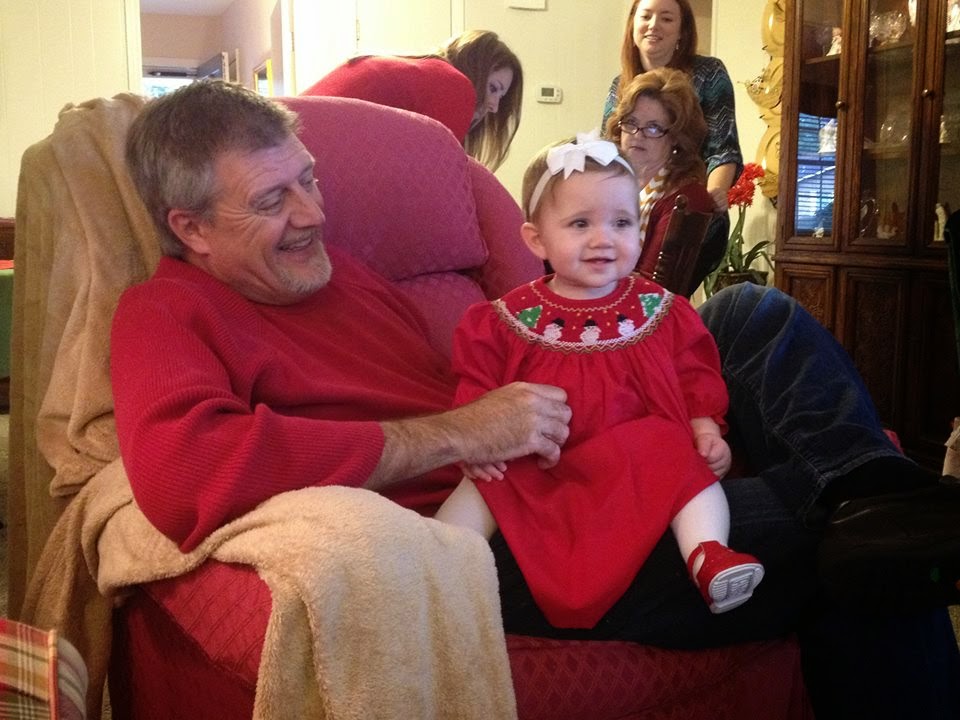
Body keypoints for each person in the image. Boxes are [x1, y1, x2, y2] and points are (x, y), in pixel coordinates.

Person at [113, 79, 960, 718]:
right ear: (191, 228)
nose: (311, 215)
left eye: (309, 180)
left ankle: (877, 489)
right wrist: (457, 434)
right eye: (272, 200)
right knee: (841, 541)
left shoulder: (344, 276)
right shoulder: (166, 313)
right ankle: (893, 520)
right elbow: (187, 474)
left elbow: (525, 334)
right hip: (502, 528)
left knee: (749, 316)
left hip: (573, 456)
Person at [432, 133, 764, 627]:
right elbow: (477, 386)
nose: (603, 238)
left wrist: (704, 426)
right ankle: (432, 560)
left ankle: (708, 552)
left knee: (679, 457)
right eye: (580, 223)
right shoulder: (504, 319)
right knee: (485, 482)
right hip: (539, 460)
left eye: (621, 222)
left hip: (633, 456)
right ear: (537, 239)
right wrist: (477, 439)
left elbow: (694, 373)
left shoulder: (660, 310)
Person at [301, 29, 523, 171]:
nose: (494, 107)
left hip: (293, 141)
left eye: (500, 96)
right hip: (313, 154)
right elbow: (440, 175)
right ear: (477, 70)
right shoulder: (454, 85)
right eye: (493, 88)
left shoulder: (422, 71)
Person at [602, 0, 741, 216]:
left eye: (666, 19)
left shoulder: (709, 74)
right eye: (646, 16)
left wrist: (709, 199)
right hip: (630, 207)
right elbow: (608, 150)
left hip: (689, 207)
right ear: (632, 25)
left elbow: (723, 150)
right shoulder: (618, 85)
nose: (653, 25)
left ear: (682, 32)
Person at [605, 66, 716, 283]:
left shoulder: (687, 197)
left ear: (677, 137)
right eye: (631, 123)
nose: (638, 135)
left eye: (653, 127)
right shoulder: (610, 185)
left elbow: (654, 289)